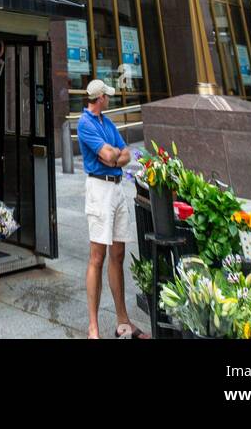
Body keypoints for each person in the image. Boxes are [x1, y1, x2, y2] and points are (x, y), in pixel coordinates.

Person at [77, 78, 146, 340]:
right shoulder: (85, 123)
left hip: (117, 189)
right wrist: (115, 155)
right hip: (99, 191)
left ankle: (123, 321)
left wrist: (115, 155)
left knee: (118, 253)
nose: (110, 99)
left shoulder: (106, 122)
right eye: (107, 95)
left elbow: (124, 153)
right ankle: (93, 327)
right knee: (98, 255)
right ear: (100, 98)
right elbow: (108, 156)